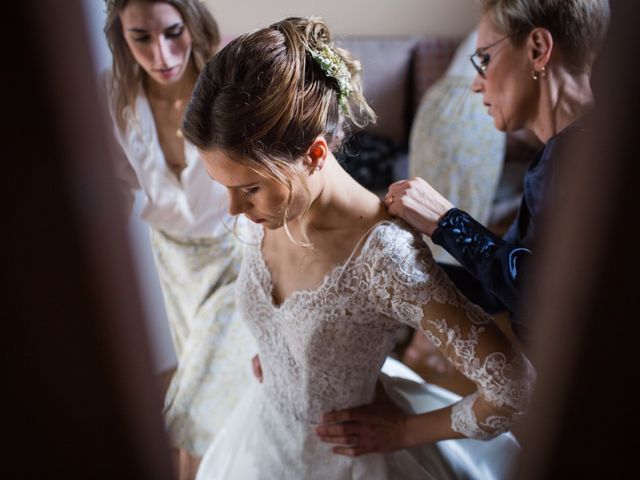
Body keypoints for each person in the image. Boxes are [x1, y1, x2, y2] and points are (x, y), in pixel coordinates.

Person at [181, 17, 535, 479]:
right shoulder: (271, 208)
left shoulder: (385, 256)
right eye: (224, 186)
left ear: (314, 154)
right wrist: (278, 351)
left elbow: (512, 387)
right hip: (263, 435)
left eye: (249, 189)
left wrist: (405, 431)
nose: (234, 209)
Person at [386, 0, 610, 343]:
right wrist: (390, 263)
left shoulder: (584, 161)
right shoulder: (562, 153)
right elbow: (498, 288)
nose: (477, 84)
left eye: (485, 60)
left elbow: (547, 300)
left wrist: (446, 220)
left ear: (537, 49)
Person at [101, 1, 256, 477]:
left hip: (237, 251)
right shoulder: (111, 94)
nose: (162, 53)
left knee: (193, 404)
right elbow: (121, 187)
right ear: (121, 36)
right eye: (141, 38)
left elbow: (260, 174)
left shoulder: (226, 82)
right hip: (172, 259)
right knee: (214, 393)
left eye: (173, 32)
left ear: (193, 24)